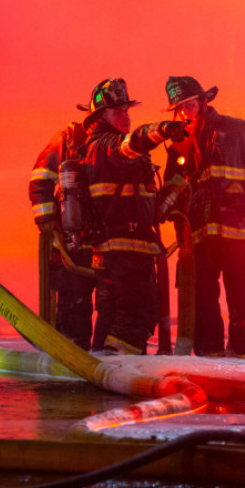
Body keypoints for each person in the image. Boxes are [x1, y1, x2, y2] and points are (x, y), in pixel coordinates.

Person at [164, 76, 245, 358]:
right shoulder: (179, 146)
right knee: (201, 300)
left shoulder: (237, 130)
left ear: (203, 102)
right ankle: (209, 358)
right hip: (199, 239)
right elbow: (171, 187)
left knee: (243, 296)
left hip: (238, 233)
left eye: (188, 105)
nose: (183, 113)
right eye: (178, 109)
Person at [79, 78, 188, 355]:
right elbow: (133, 142)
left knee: (113, 313)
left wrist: (173, 191)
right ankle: (116, 368)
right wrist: (162, 130)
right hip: (124, 253)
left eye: (127, 111)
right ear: (100, 117)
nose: (125, 117)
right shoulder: (105, 145)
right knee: (138, 313)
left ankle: (100, 367)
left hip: (120, 253)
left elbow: (143, 205)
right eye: (118, 112)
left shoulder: (108, 150)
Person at [29, 121, 96, 349]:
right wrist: (48, 223)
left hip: (108, 243)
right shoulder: (68, 140)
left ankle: (106, 361)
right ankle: (70, 356)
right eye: (118, 111)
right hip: (72, 243)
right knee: (73, 304)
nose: (125, 118)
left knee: (116, 308)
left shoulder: (122, 145)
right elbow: (40, 179)